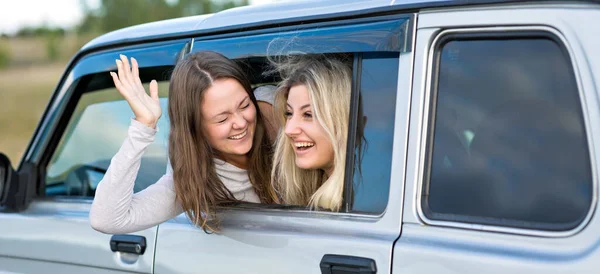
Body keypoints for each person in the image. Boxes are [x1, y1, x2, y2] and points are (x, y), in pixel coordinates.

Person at [90, 51, 278, 234]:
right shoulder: (193, 181)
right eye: (222, 119)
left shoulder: (284, 115)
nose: (241, 123)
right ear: (195, 128)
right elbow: (106, 219)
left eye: (244, 105)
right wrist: (143, 128)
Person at [270, 55, 354, 212]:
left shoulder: (362, 203)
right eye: (289, 113)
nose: (289, 130)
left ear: (343, 119)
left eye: (308, 114)